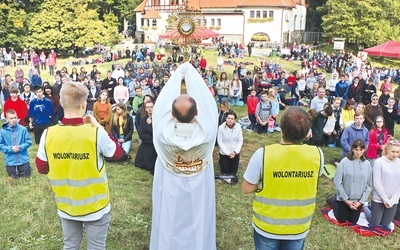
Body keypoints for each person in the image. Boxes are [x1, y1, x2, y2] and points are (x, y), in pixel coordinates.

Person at [35, 81, 124, 249]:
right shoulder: (95, 133)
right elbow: (117, 154)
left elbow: (42, 168)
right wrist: (97, 124)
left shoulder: (48, 134)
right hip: (96, 208)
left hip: (66, 205)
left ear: (61, 103)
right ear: (84, 104)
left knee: (70, 246)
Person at [150, 62, 218, 250]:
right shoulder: (208, 133)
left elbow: (159, 111)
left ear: (171, 114)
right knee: (198, 218)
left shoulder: (162, 134)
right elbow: (210, 108)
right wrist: (191, 73)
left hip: (171, 182)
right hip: (198, 182)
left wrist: (178, 75)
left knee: (169, 218)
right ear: (197, 113)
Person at [243, 107, 323, 250]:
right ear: (306, 133)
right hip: (298, 227)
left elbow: (247, 188)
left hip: (267, 227)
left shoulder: (263, 154)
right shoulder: (317, 154)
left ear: (281, 129)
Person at [330, 139, 372, 224]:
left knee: (352, 221)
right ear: (352, 149)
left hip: (358, 201)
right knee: (341, 219)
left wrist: (361, 202)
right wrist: (346, 200)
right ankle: (333, 201)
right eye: (356, 149)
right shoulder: (344, 162)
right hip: (344, 199)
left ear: (364, 150)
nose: (358, 152)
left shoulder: (367, 164)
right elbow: (337, 182)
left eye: (361, 150)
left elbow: (369, 185)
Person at [364, 138, 400, 229]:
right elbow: (377, 183)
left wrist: (392, 201)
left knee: (385, 225)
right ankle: (366, 207)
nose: (395, 154)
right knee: (376, 223)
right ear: (387, 149)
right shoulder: (379, 162)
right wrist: (385, 200)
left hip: (393, 200)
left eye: (397, 152)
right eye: (393, 151)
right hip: (379, 199)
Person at [0, 109, 32, 179]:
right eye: (11, 118)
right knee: (14, 180)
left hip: (23, 160)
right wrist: (11, 149)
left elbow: (29, 142)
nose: (14, 120)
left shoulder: (23, 129)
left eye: (15, 117)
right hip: (10, 161)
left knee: (26, 179)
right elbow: (1, 145)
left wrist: (20, 147)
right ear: (7, 119)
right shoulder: (2, 132)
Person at [135, 100, 157, 174]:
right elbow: (141, 134)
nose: (150, 109)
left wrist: (149, 126)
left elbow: (156, 134)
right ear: (145, 109)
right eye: (148, 107)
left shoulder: (158, 119)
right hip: (146, 143)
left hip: (155, 145)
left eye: (151, 107)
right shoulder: (143, 119)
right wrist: (151, 138)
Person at [217, 111, 243, 175]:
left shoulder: (238, 127)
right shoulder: (221, 128)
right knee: (225, 172)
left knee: (233, 173)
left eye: (232, 119)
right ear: (226, 118)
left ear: (234, 120)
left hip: (235, 153)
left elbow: (240, 140)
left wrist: (235, 152)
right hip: (224, 153)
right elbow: (220, 141)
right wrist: (227, 153)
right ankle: (221, 161)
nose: (230, 120)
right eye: (228, 118)